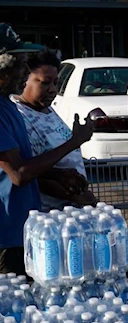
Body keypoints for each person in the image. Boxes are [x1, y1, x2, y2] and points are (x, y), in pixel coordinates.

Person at [0, 23, 93, 274]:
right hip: (8, 233)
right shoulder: (6, 109)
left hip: (30, 228)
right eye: (18, 65)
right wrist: (75, 142)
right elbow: (19, 173)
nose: (22, 72)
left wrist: (62, 176)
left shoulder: (9, 106)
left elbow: (31, 164)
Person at [12, 50, 96, 211]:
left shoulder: (47, 109)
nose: (52, 89)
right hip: (47, 217)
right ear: (24, 81)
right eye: (44, 82)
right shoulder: (19, 116)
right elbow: (31, 174)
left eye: (55, 82)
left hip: (72, 211)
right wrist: (75, 141)